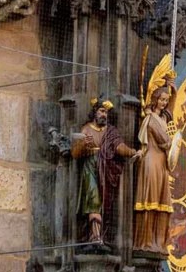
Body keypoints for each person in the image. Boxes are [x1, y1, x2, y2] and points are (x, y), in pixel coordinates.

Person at [71, 96, 138, 245]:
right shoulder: (86, 128)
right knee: (93, 200)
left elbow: (119, 147)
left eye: (106, 112)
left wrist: (133, 151)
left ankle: (100, 235)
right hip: (90, 168)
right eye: (102, 111)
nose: (104, 115)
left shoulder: (111, 131)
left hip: (106, 171)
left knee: (104, 204)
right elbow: (75, 153)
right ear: (95, 112)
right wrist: (82, 145)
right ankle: (94, 237)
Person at [134, 57, 177, 256]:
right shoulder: (151, 120)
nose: (164, 103)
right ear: (154, 99)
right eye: (161, 99)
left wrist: (172, 89)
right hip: (152, 161)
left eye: (165, 100)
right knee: (150, 201)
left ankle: (159, 242)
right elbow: (164, 141)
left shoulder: (162, 117)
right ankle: (146, 240)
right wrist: (174, 144)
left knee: (162, 203)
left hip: (161, 163)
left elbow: (171, 110)